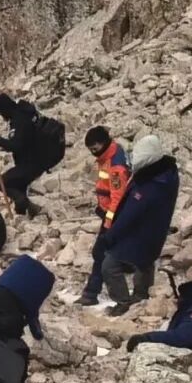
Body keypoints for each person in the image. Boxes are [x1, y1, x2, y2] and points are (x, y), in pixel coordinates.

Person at [96, 135, 179, 317]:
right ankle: (141, 296)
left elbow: (129, 214)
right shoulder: (167, 174)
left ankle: (123, 302)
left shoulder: (149, 186)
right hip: (154, 231)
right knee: (145, 262)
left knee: (110, 265)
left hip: (138, 232)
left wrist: (110, 235)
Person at [0, 94, 66, 217]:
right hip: (38, 158)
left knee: (3, 183)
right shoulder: (26, 112)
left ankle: (28, 206)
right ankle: (26, 213)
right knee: (18, 184)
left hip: (32, 163)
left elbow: (15, 145)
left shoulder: (18, 120)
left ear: (5, 109)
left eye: (1, 112)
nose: (2, 116)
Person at [78, 126, 132, 306]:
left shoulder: (116, 166)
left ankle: (92, 294)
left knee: (101, 253)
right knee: (104, 253)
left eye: (95, 149)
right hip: (110, 213)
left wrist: (109, 222)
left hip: (114, 216)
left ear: (103, 143)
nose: (93, 153)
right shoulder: (110, 154)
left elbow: (117, 197)